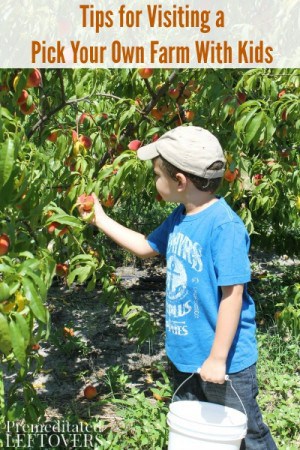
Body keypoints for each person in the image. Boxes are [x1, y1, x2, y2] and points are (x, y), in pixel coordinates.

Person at [78, 126, 277, 450]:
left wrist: (217, 357)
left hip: (226, 364)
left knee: (246, 434)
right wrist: (100, 219)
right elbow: (145, 247)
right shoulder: (180, 217)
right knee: (198, 434)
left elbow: (233, 296)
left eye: (158, 175)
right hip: (185, 357)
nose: (155, 182)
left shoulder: (224, 226)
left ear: (180, 181)